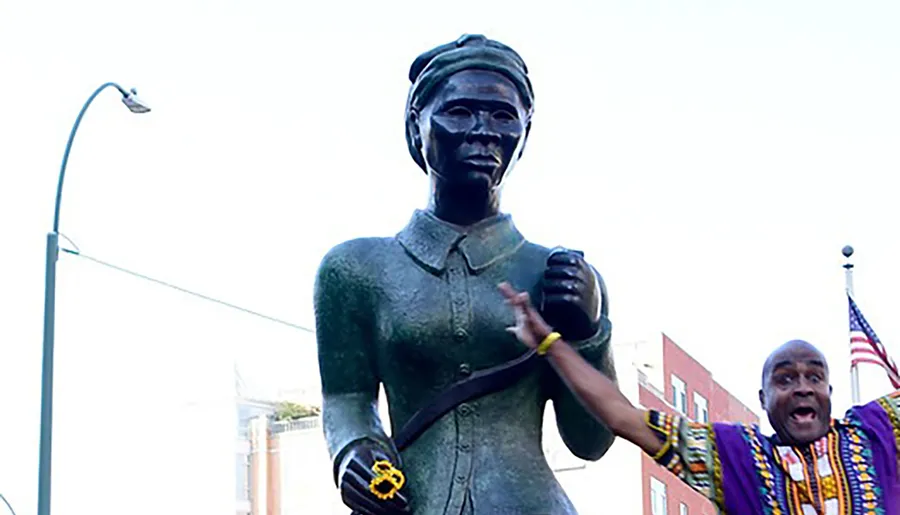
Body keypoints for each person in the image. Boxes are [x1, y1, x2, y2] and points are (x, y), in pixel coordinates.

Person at [315, 35, 618, 515]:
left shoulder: (560, 274)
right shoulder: (354, 269)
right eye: (458, 111)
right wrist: (353, 450)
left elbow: (591, 442)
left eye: (503, 115)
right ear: (416, 126)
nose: (483, 130)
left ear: (525, 133)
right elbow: (346, 398)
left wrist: (588, 336)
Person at [499, 282, 900, 513]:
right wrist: (550, 344)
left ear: (829, 392)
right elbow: (623, 416)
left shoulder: (876, 432)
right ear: (763, 399)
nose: (802, 387)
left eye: (815, 376)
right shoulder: (739, 458)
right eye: (786, 379)